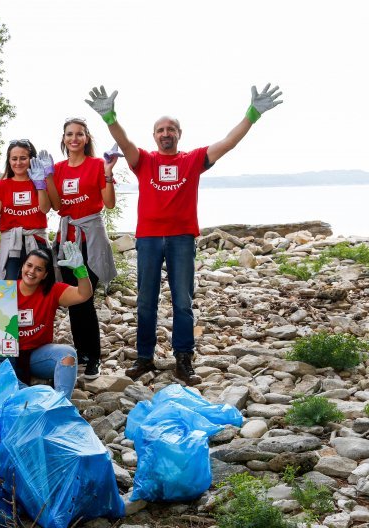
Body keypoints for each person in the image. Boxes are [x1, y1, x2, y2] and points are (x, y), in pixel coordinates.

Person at [85, 83, 283, 385]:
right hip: (149, 238)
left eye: (172, 129)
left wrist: (252, 114)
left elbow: (228, 142)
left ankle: (183, 359)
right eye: (161, 129)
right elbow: (124, 143)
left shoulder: (192, 160)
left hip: (181, 238)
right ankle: (144, 358)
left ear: (179, 134)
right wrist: (110, 118)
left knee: (182, 302)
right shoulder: (144, 161)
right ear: (154, 136)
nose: (166, 133)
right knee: (146, 300)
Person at [45, 118, 118, 379]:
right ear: (63, 139)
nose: (74, 139)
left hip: (92, 239)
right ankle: (82, 354)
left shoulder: (98, 164)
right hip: (67, 239)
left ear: (86, 138)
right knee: (74, 301)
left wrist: (108, 172)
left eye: (79, 134)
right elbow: (55, 205)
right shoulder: (57, 168)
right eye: (69, 134)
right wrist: (45, 179)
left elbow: (108, 203)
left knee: (86, 299)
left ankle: (94, 357)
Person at [15, 242, 92, 398]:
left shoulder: (53, 291)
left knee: (68, 354)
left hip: (37, 356)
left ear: (45, 274)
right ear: (22, 267)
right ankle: (25, 394)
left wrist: (81, 271)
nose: (31, 271)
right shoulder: (4, 290)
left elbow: (84, 294)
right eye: (29, 266)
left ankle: (61, 405)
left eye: (39, 269)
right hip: (8, 355)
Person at [0, 139, 52, 280]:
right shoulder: (2, 185)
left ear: (31, 159)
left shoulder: (39, 182)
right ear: (9, 160)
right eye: (14, 159)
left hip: (37, 241)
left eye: (23, 158)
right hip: (12, 243)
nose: (18, 163)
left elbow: (45, 209)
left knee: (38, 285)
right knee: (10, 284)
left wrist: (40, 185)